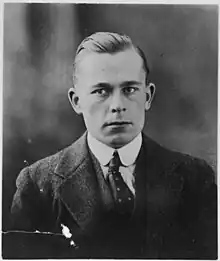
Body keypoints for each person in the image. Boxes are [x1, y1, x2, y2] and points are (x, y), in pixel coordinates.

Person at [9, 32, 217, 259]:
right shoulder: (38, 185)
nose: (117, 105)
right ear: (76, 101)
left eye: (129, 90)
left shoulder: (195, 179)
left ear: (148, 96)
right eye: (101, 91)